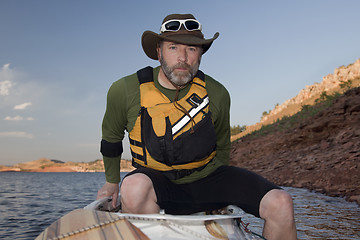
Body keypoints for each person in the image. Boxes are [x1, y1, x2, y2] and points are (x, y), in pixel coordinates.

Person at [97, 13, 297, 240]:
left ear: (200, 53)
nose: (183, 58)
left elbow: (222, 147)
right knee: (132, 186)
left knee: (281, 203)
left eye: (192, 49)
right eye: (173, 48)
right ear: (158, 51)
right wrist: (111, 183)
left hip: (207, 178)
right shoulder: (125, 90)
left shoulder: (218, 93)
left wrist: (221, 198)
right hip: (157, 181)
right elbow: (111, 138)